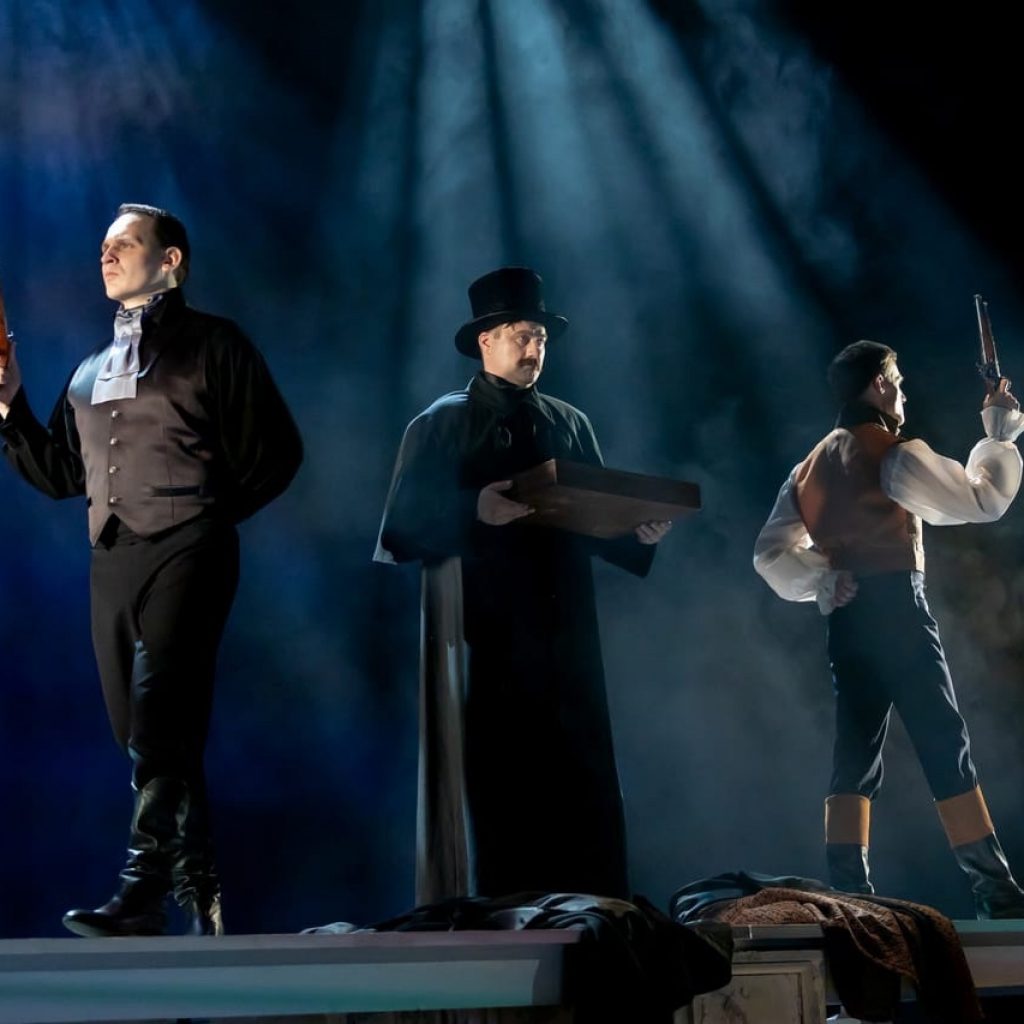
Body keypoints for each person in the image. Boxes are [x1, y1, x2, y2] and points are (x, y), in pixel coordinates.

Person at [0, 203, 303, 936]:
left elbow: (278, 450)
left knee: (162, 711)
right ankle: (200, 889)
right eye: (103, 245)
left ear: (171, 261)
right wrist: (8, 405)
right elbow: (61, 473)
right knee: (140, 730)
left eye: (125, 243)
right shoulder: (89, 367)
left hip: (189, 546)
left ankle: (140, 890)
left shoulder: (215, 344)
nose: (106, 254)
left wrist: (209, 514)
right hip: (112, 559)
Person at [375, 267, 670, 904]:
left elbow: (595, 519)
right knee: (500, 765)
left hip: (565, 627)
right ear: (486, 340)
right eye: (520, 334)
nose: (534, 347)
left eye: (540, 337)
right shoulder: (442, 423)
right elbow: (400, 527)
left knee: (577, 763)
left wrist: (635, 532)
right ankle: (502, 905)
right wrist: (473, 510)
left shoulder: (569, 422)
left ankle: (591, 904)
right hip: (485, 628)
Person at [754, 338, 1024, 917]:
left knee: (855, 751)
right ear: (878, 383)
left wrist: (825, 580)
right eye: (897, 383)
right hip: (898, 610)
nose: (903, 395)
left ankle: (850, 892)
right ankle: (995, 891)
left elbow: (769, 555)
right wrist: (1000, 433)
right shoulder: (893, 455)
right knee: (943, 741)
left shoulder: (806, 469)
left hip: (847, 620)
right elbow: (982, 500)